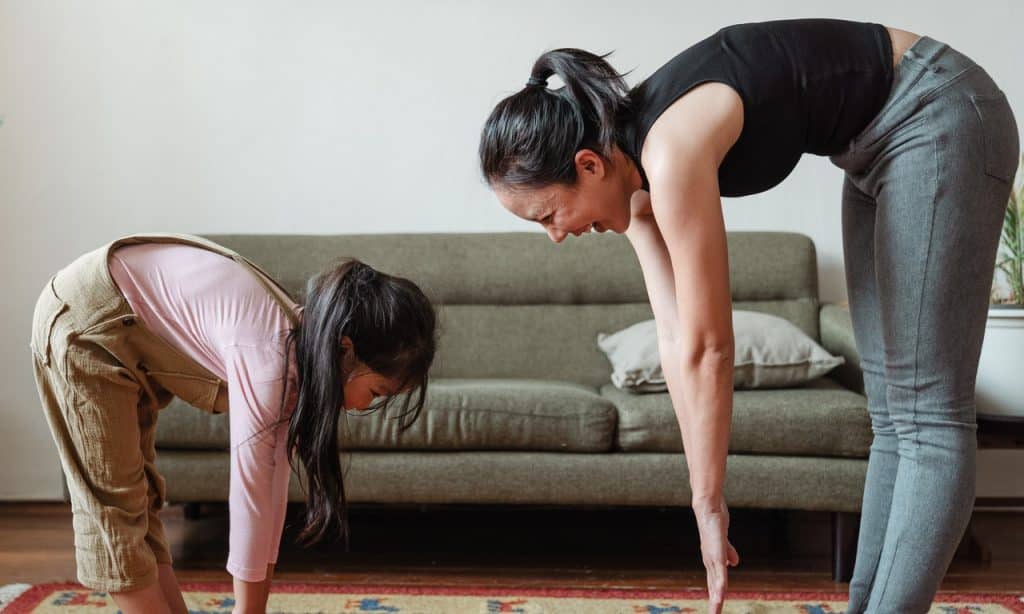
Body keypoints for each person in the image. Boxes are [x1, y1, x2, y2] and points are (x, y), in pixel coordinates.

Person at [478, 18, 1019, 614]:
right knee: (893, 416)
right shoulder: (635, 190)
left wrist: (712, 504)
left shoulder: (670, 150)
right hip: (870, 149)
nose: (555, 235)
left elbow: (712, 347)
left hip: (937, 110)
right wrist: (699, 497)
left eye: (548, 215)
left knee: (928, 417)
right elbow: (677, 337)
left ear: (588, 166)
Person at [29, 232, 437, 614]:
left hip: (121, 324)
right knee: (114, 512)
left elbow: (271, 490)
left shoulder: (300, 355)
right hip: (85, 321)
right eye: (377, 393)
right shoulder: (270, 358)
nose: (364, 407)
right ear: (346, 349)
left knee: (140, 500)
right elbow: (251, 495)